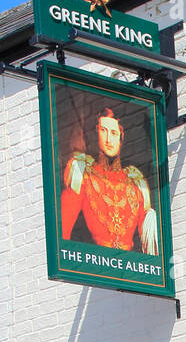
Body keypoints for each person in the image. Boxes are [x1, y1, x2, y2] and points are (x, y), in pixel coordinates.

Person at [61, 105, 158, 254]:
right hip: (97, 266)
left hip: (130, 269)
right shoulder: (84, 173)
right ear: (96, 133)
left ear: (121, 136)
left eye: (113, 133)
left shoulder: (135, 181)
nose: (108, 139)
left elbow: (151, 251)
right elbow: (63, 232)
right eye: (103, 131)